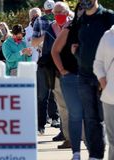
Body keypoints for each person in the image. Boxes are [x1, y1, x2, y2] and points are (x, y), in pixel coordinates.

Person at [72, 0, 114, 159]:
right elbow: (78, 44)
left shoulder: (108, 17)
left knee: (107, 118)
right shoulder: (81, 20)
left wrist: (105, 78)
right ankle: (95, 155)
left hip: (105, 78)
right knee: (90, 118)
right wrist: (77, 54)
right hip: (84, 76)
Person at [51, 2, 85, 159]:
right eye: (55, 12)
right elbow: (53, 50)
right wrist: (62, 70)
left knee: (87, 111)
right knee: (68, 109)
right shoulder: (67, 28)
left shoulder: (95, 26)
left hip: (88, 75)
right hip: (67, 75)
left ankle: (87, 141)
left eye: (60, 12)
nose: (57, 15)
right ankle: (72, 142)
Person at [31, 0, 61, 135]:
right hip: (45, 60)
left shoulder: (65, 20)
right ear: (44, 11)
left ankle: (61, 127)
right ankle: (40, 126)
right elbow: (34, 42)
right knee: (42, 95)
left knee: (60, 95)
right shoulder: (39, 21)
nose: (50, 14)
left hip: (61, 60)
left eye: (52, 11)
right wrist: (47, 34)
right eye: (48, 12)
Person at [93, 25, 114, 160]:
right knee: (113, 139)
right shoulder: (108, 36)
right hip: (110, 96)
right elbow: (98, 63)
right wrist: (104, 83)